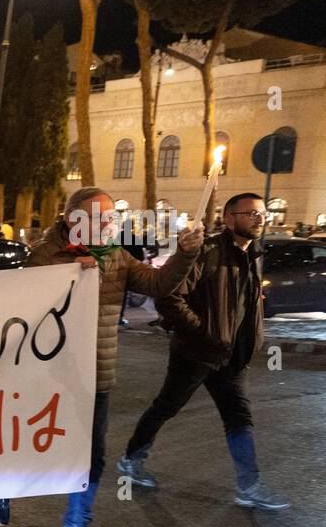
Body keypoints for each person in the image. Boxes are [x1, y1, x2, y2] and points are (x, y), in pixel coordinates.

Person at [0, 187, 203, 527]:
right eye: (96, 217)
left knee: (91, 456)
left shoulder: (115, 255)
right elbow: (24, 307)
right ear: (72, 219)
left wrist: (185, 253)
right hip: (49, 374)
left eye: (109, 218)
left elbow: (158, 285)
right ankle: (3, 484)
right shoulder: (44, 254)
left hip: (96, 373)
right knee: (37, 442)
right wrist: (71, 275)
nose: (105, 224)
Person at [118, 193, 288, 510]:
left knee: (239, 417)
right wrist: (202, 332)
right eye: (251, 213)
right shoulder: (206, 252)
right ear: (229, 218)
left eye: (262, 213)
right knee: (166, 407)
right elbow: (168, 298)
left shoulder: (254, 254)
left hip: (233, 356)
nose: (260, 218)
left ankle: (249, 486)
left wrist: (250, 338)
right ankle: (131, 459)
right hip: (196, 353)